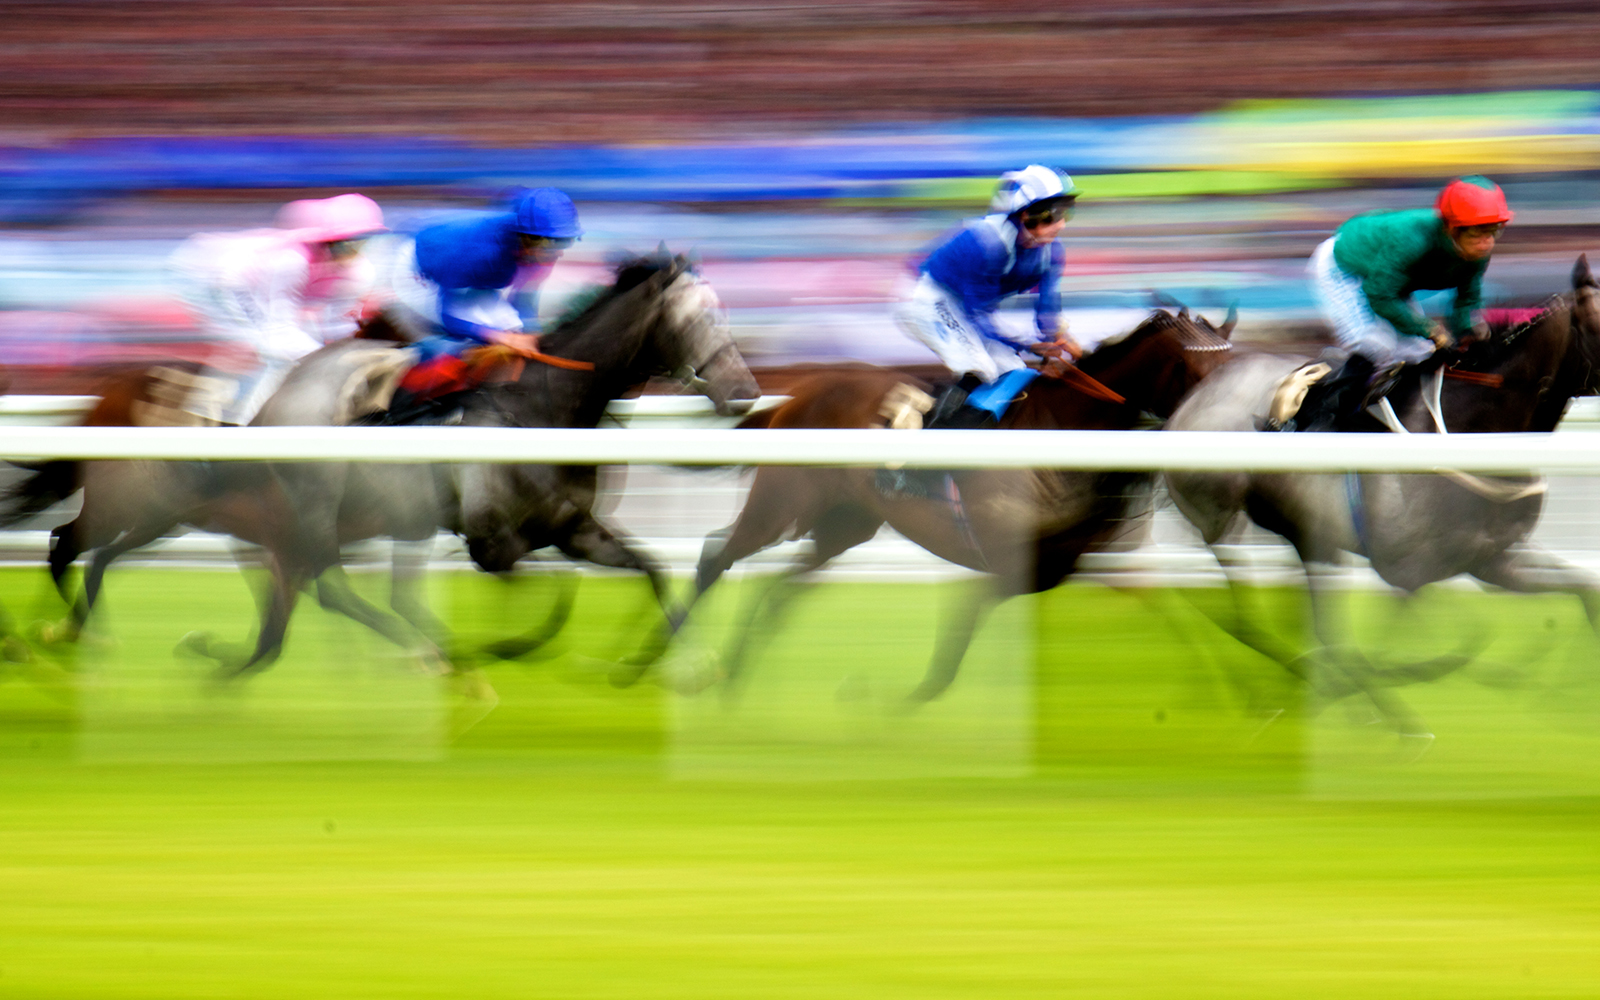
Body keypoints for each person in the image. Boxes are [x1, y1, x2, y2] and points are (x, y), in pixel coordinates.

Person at [1298, 175, 1512, 430]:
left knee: (1419, 353)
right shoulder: (1412, 240)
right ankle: (1317, 420)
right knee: (1375, 345)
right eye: (1477, 231)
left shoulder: (1477, 254)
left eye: (1493, 230)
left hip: (1386, 280)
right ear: (1452, 228)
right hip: (1344, 266)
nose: (1486, 242)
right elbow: (1380, 295)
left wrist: (1466, 335)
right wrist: (1430, 330)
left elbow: (1466, 300)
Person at [169, 193, 388, 425]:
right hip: (219, 283)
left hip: (256, 293)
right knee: (261, 350)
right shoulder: (290, 261)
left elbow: (337, 326)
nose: (356, 251)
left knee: (297, 349)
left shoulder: (361, 271)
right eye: (347, 243)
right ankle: (227, 423)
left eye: (363, 242)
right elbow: (277, 330)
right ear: (326, 241)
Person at [896, 164, 1083, 428]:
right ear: (1025, 214)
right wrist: (1031, 344)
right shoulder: (988, 245)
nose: (1060, 224)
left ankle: (974, 430)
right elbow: (981, 317)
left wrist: (1061, 338)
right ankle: (926, 439)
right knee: (979, 367)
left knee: (1014, 372)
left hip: (965, 308)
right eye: (1052, 215)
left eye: (1065, 213)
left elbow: (1047, 311)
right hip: (927, 299)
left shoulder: (1052, 252)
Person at [382, 186, 581, 418]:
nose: (558, 253)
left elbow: (523, 303)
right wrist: (499, 336)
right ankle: (400, 410)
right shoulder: (481, 254)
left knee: (514, 331)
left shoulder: (540, 249)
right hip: (418, 272)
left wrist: (528, 333)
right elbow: (448, 316)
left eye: (565, 242)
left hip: (470, 277)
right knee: (460, 344)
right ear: (527, 238)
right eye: (551, 244)